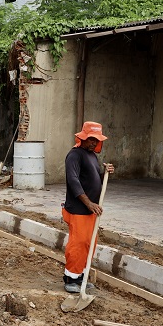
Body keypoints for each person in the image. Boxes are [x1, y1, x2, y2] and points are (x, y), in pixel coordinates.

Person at [62, 121, 115, 293]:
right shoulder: (74, 155)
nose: (94, 142)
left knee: (89, 243)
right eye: (91, 139)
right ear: (83, 138)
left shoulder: (92, 155)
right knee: (78, 243)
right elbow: (74, 181)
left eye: (96, 140)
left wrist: (105, 173)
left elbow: (91, 178)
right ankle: (70, 278)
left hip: (91, 210)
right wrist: (89, 203)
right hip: (78, 209)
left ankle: (81, 277)